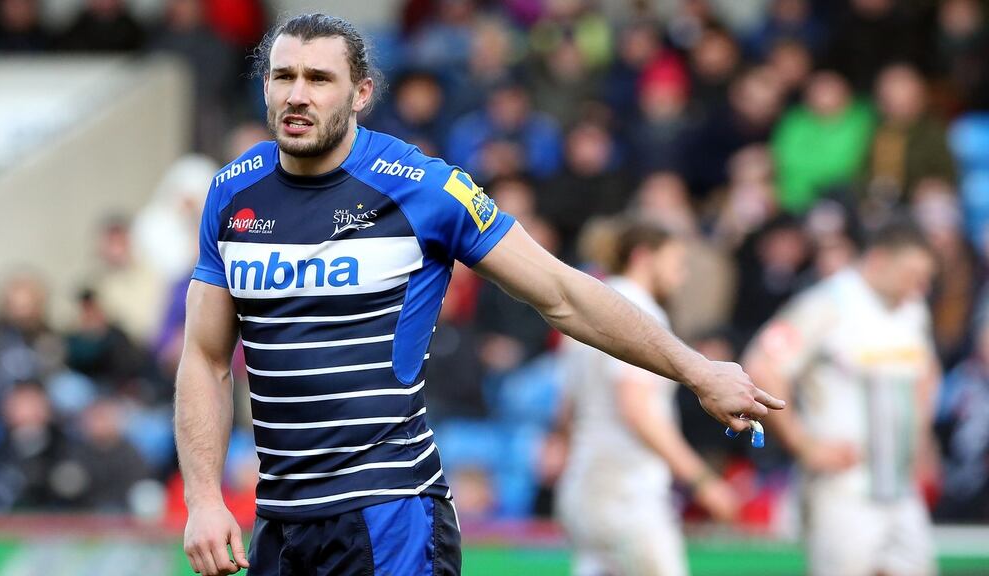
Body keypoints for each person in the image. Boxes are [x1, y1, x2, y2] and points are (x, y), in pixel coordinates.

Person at [175, 13, 782, 576]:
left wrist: (697, 371)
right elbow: (204, 358)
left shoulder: (424, 188)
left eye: (318, 78)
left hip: (391, 516)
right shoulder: (232, 192)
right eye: (282, 76)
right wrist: (203, 498)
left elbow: (563, 292)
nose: (297, 95)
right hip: (280, 522)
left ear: (360, 94)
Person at [743, 219, 940, 576]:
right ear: (879, 260)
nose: (920, 287)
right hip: (845, 487)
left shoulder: (912, 309)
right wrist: (804, 444)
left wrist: (922, 437)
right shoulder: (828, 303)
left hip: (900, 487)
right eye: (912, 275)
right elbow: (762, 364)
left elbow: (927, 371)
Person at [555, 218, 740, 576]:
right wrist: (702, 480)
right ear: (643, 257)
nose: (681, 276)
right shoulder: (640, 315)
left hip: (583, 483)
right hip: (626, 491)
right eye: (676, 263)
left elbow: (565, 410)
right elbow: (637, 408)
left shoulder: (587, 306)